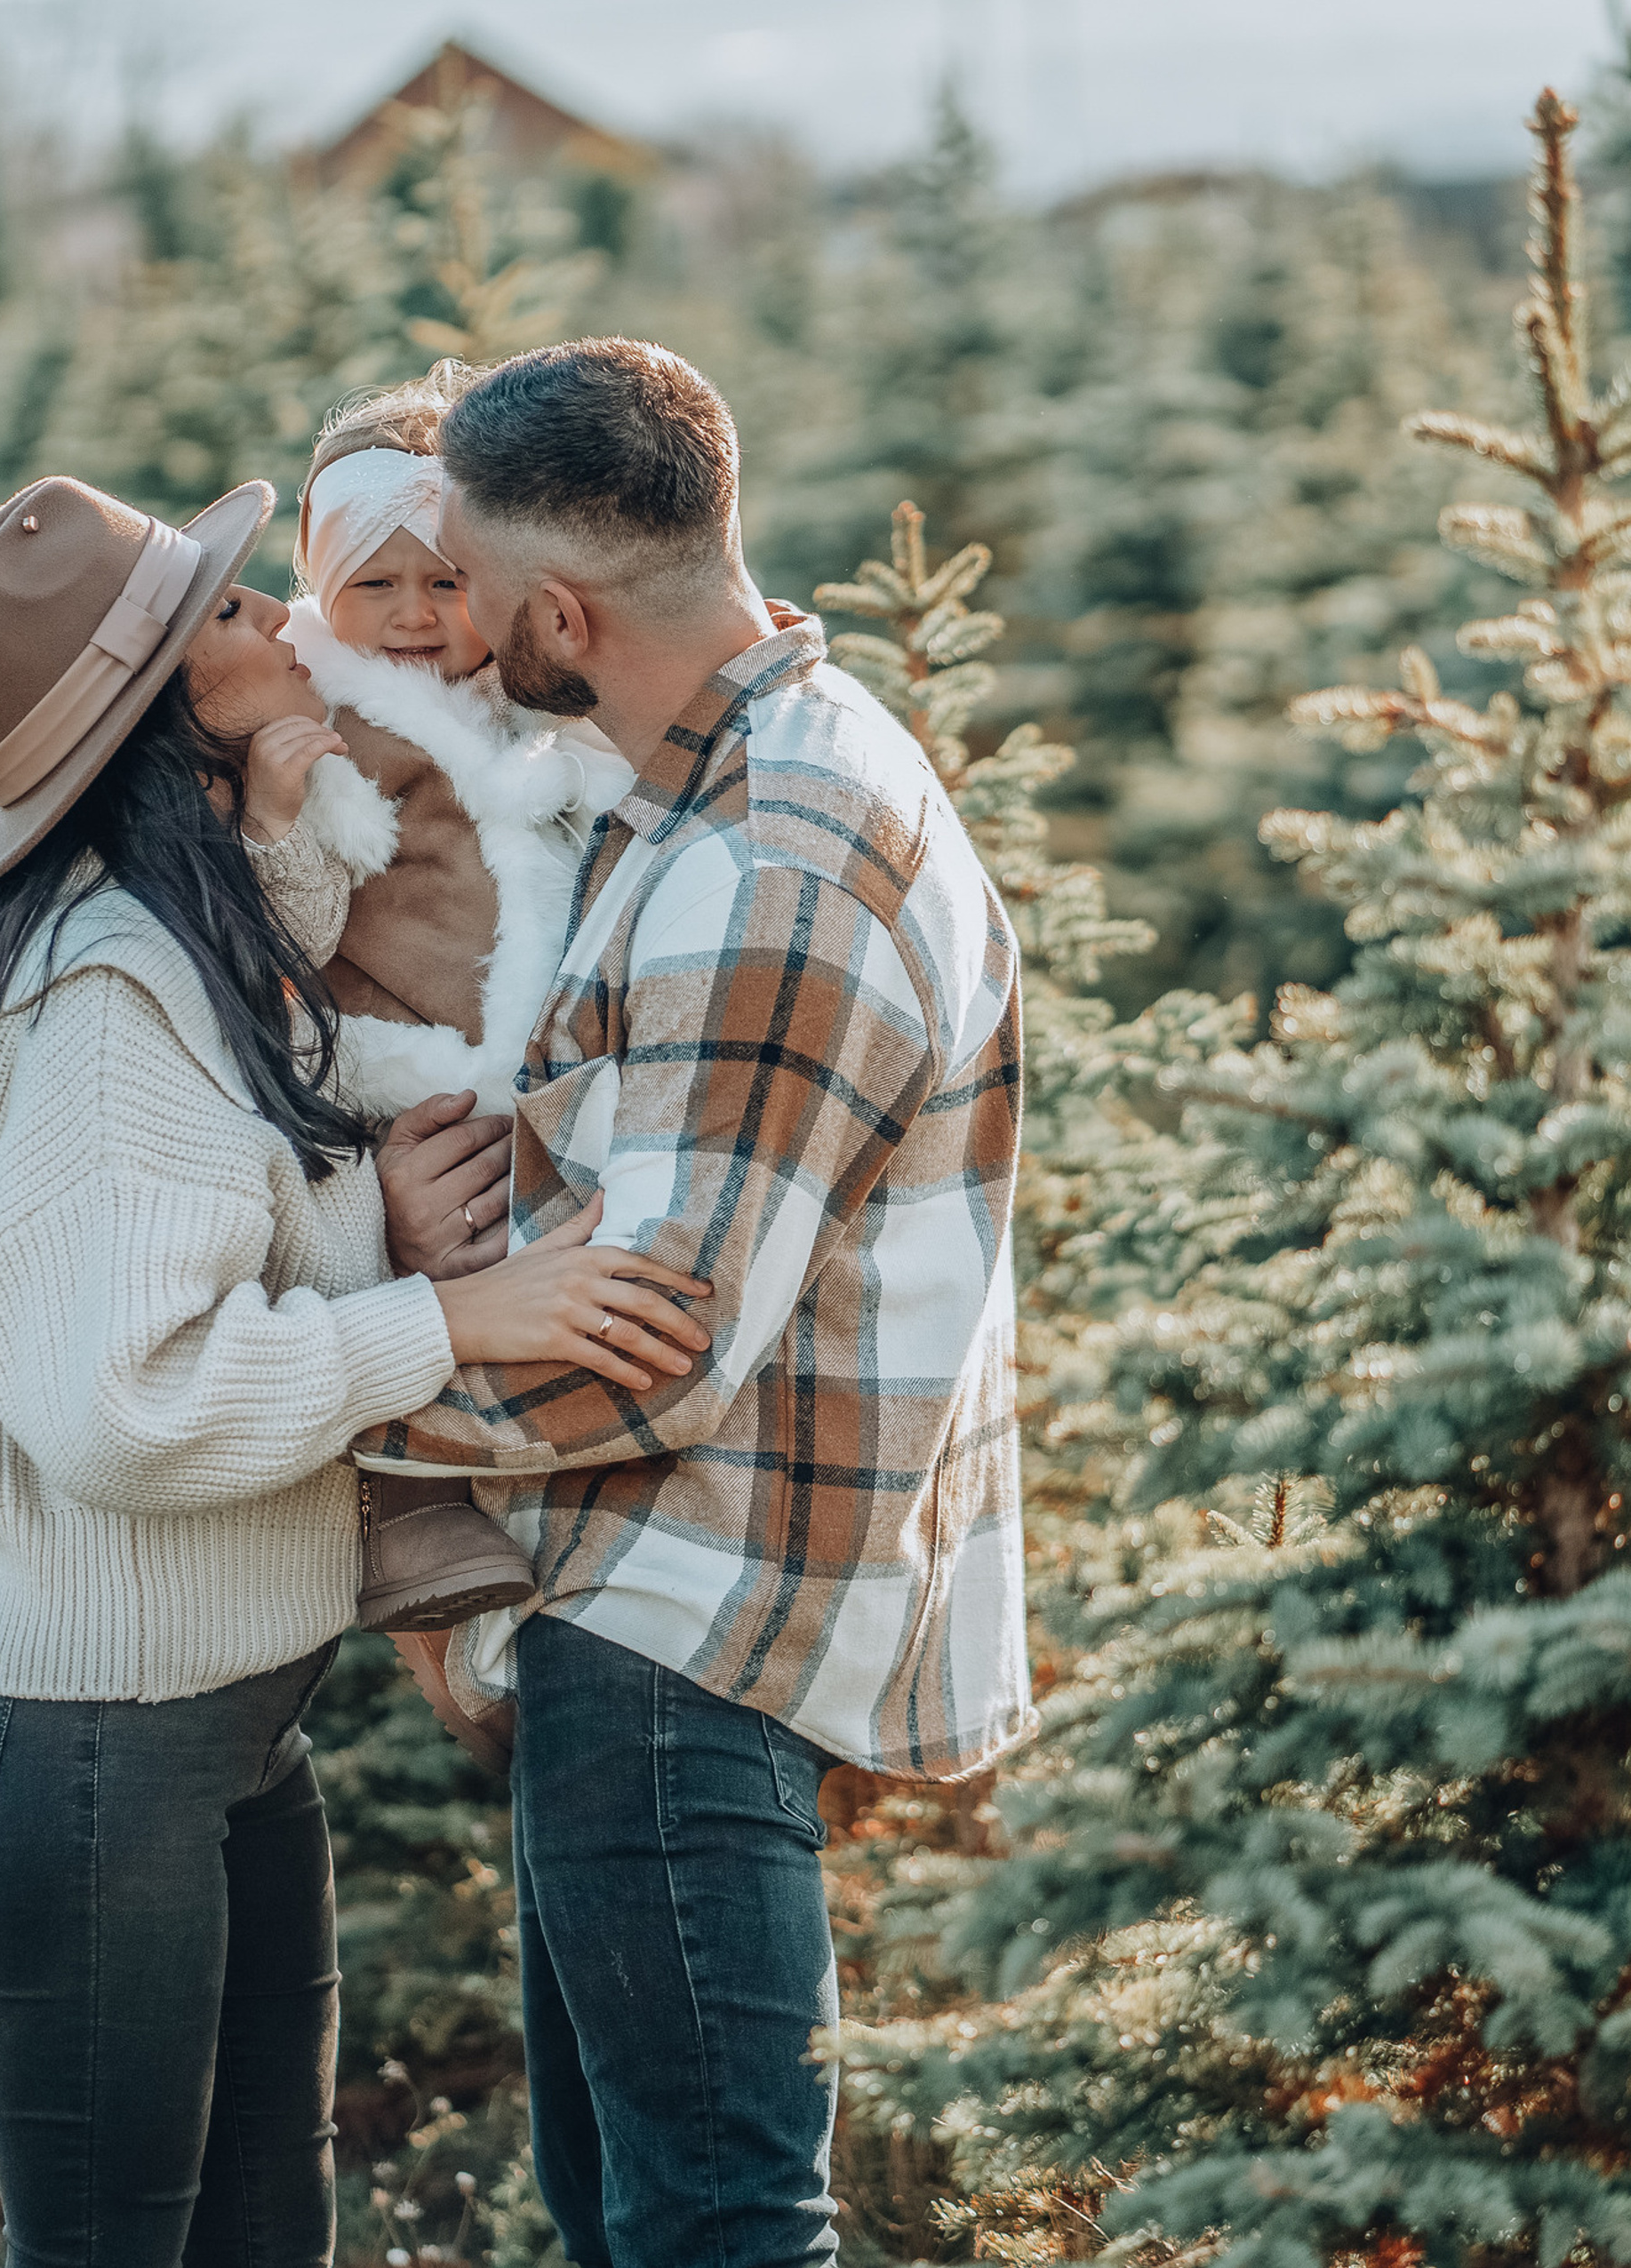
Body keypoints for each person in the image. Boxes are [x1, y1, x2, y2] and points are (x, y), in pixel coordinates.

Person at [0, 471, 710, 2266]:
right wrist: (447, 1315)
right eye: (234, 613)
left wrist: (361, 1214)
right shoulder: (112, 1006)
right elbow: (127, 1402)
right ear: (164, 705)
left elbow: (232, 1141)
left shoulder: (179, 930)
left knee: (267, 2229)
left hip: (229, 1721)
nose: (285, 619)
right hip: (106, 1743)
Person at [350, 339, 1035, 2268]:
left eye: (474, 590)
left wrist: (317, 1416)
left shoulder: (766, 867)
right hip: (659, 1617)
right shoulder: (725, 772)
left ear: (562, 615)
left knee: (713, 2224)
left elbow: (648, 1356)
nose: (453, 629)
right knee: (628, 2210)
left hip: (681, 1638)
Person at [266, 366, 633, 1636]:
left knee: (533, 1263)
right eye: (376, 585)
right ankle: (406, 1510)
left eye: (445, 581)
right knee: (427, 1256)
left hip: (524, 1039)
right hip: (399, 1057)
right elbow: (281, 912)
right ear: (320, 583)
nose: (417, 616)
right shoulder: (316, 711)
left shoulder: (519, 687)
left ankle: (555, 1503)